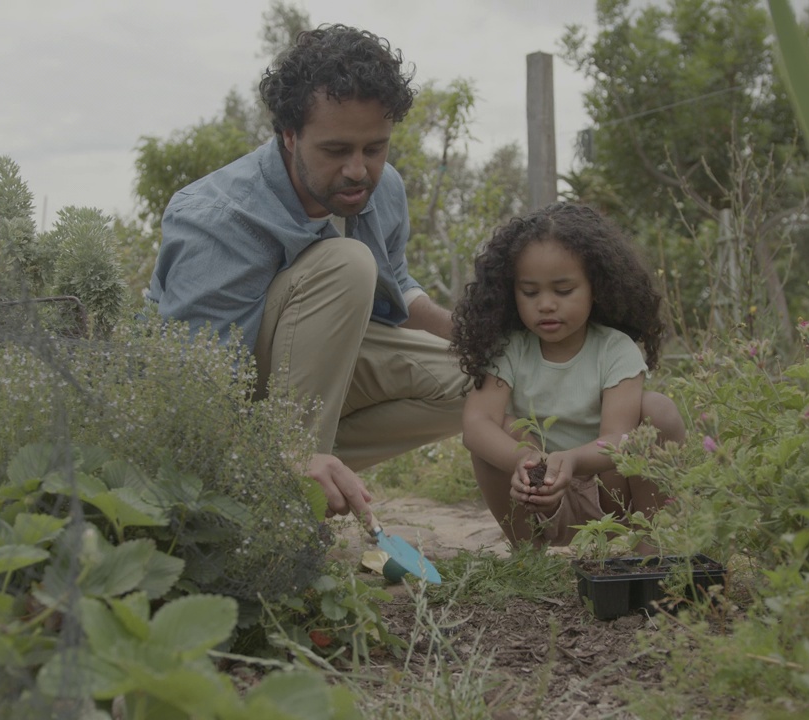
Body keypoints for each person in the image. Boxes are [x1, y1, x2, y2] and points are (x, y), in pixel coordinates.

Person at [147, 25, 465, 521]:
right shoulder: (218, 218)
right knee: (346, 263)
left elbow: (396, 283)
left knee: (477, 380)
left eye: (375, 149)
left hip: (300, 391)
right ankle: (281, 496)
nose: (359, 170)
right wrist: (288, 448)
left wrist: (473, 334)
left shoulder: (382, 189)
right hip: (223, 393)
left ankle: (287, 477)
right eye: (337, 151)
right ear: (289, 135)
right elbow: (194, 390)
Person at [452, 202, 686, 550]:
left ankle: (652, 546)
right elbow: (476, 424)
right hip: (535, 492)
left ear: (597, 287)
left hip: (610, 499)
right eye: (530, 292)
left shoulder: (615, 350)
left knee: (658, 409)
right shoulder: (508, 349)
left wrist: (572, 460)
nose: (546, 304)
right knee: (497, 425)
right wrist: (525, 462)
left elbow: (619, 437)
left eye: (563, 291)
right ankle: (527, 551)